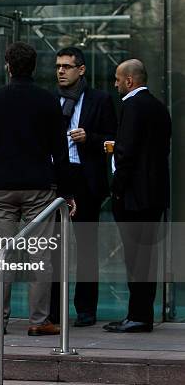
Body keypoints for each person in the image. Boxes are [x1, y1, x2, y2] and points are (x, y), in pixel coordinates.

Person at [0, 42, 75, 336]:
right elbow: (60, 150)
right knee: (40, 255)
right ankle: (38, 320)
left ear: (8, 65)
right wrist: (66, 193)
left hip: (1, 187)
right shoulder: (47, 101)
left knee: (0, 255)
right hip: (39, 187)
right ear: (34, 66)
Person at [49, 47, 117, 327]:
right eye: (58, 67)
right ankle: (53, 310)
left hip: (86, 179)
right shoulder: (50, 99)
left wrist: (90, 138)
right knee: (53, 247)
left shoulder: (99, 100)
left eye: (67, 66)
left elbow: (113, 139)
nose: (61, 71)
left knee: (87, 247)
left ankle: (86, 309)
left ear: (81, 70)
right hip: (56, 179)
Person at [103, 59, 171, 333]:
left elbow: (127, 154)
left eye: (118, 79)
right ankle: (140, 313)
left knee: (135, 259)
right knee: (146, 258)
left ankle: (138, 316)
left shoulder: (132, 106)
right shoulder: (157, 107)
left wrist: (116, 188)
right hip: (153, 196)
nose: (115, 83)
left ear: (130, 80)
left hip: (133, 197)